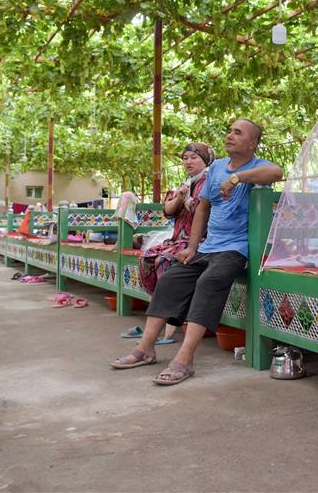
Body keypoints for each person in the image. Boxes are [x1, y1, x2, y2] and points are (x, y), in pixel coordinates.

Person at [111, 119, 283, 385]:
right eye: (229, 131)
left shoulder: (257, 165)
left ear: (252, 143)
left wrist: (238, 178)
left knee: (209, 281)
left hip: (235, 249)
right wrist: (192, 247)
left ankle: (184, 358)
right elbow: (202, 209)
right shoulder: (214, 169)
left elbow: (276, 172)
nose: (230, 136)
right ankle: (145, 348)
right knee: (170, 278)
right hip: (208, 247)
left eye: (238, 133)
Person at [135, 142, 215, 344]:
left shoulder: (209, 181)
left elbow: (200, 209)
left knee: (165, 262)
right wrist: (181, 197)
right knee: (146, 257)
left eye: (194, 157)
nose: (188, 161)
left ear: (205, 160)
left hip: (199, 240)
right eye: (185, 158)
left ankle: (170, 327)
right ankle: (158, 315)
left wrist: (186, 199)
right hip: (177, 239)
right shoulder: (186, 183)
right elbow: (168, 210)